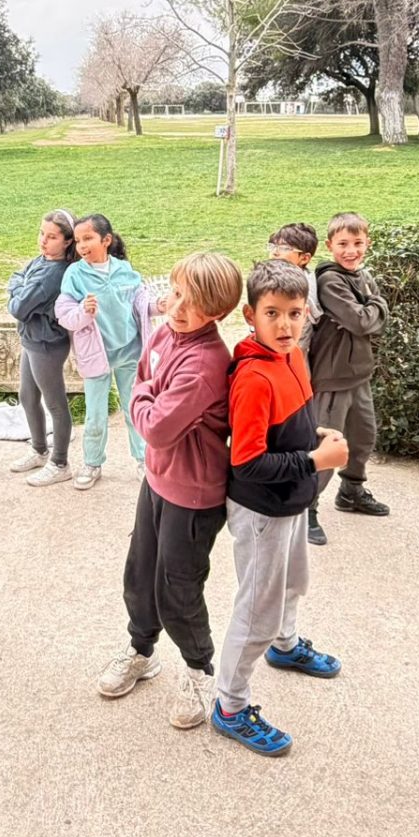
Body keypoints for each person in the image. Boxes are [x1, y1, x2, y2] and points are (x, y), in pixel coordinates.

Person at [97, 252, 243, 730]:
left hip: (194, 494)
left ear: (218, 312)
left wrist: (142, 396)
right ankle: (142, 650)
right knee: (140, 574)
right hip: (158, 480)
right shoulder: (165, 333)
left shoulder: (204, 363)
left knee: (176, 589)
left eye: (193, 303)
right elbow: (144, 377)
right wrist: (147, 394)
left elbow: (156, 429)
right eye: (177, 293)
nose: (178, 308)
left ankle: (200, 669)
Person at [210, 260, 348, 758]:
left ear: (307, 313)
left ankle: (285, 646)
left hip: (291, 501)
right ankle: (229, 705)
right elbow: (247, 463)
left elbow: (285, 428)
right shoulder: (253, 377)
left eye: (294, 312)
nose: (285, 324)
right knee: (256, 612)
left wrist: (315, 435)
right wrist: (315, 460)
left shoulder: (293, 357)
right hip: (262, 511)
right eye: (272, 313)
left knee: (293, 584)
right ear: (251, 315)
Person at [308, 212, 392, 542]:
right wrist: (377, 303)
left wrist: (371, 310)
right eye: (343, 244)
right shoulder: (330, 281)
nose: (351, 250)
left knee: (363, 438)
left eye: (358, 243)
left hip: (359, 374)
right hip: (333, 377)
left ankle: (351, 491)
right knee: (329, 444)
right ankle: (306, 507)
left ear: (367, 243)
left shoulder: (362, 276)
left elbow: (371, 322)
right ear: (330, 245)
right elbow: (361, 322)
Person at [56, 213, 153, 490]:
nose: (82, 246)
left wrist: (159, 305)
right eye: (78, 241)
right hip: (96, 355)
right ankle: (92, 463)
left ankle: (144, 460)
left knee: (134, 409)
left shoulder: (124, 270)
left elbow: (141, 303)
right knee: (95, 415)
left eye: (88, 238)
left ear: (106, 240)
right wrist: (82, 311)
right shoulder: (74, 275)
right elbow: (64, 314)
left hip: (129, 351)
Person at [6, 209, 78, 488]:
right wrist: (20, 286)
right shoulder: (42, 260)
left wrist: (18, 290)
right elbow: (16, 276)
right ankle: (39, 450)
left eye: (52, 237)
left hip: (46, 345)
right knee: (27, 396)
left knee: (55, 403)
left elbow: (19, 308)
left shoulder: (54, 274)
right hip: (32, 340)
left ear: (67, 241)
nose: (43, 241)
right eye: (41, 233)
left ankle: (60, 463)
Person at [266, 222, 320, 345]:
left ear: (304, 258)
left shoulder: (301, 288)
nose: (275, 252)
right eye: (273, 246)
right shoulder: (270, 278)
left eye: (284, 248)